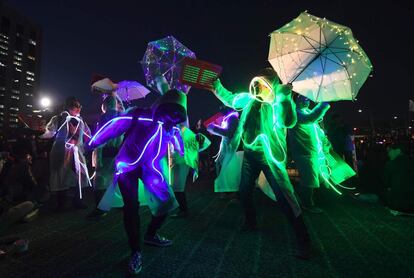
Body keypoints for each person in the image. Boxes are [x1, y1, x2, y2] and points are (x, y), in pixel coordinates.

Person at [209, 67, 311, 259]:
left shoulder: (276, 103)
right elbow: (231, 99)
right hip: (250, 155)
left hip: (270, 158)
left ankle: (304, 240)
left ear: (271, 85)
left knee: (285, 198)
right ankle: (250, 223)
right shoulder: (249, 99)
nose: (256, 87)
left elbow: (288, 121)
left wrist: (285, 99)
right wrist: (216, 85)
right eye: (255, 82)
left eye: (261, 84)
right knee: (244, 191)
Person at [88, 87, 187, 274]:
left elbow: (179, 142)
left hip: (152, 170)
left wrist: (183, 148)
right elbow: (115, 125)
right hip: (127, 167)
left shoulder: (170, 125)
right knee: (131, 207)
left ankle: (150, 234)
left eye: (175, 117)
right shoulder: (139, 115)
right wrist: (92, 142)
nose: (171, 120)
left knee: (167, 202)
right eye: (169, 115)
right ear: (163, 108)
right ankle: (135, 251)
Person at [40, 97, 92, 211]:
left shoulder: (81, 121)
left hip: (76, 153)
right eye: (75, 105)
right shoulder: (58, 119)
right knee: (61, 175)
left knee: (80, 175)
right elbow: (49, 132)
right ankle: (61, 203)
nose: (78, 108)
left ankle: (78, 201)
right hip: (62, 152)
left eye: (80, 106)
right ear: (68, 106)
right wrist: (42, 131)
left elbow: (88, 135)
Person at [288, 95, 330, 213]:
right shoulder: (296, 114)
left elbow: (315, 126)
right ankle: (307, 204)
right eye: (302, 98)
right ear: (296, 101)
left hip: (312, 152)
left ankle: (311, 200)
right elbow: (311, 118)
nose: (305, 100)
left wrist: (325, 141)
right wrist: (324, 103)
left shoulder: (305, 112)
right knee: (309, 180)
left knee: (315, 178)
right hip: (304, 153)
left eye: (306, 98)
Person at [88, 94, 125, 218]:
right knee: (118, 179)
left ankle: (100, 209)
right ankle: (123, 204)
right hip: (119, 153)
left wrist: (96, 155)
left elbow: (101, 136)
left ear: (105, 105)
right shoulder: (122, 115)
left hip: (106, 153)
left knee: (100, 180)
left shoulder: (105, 116)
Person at [207, 107, 242, 199]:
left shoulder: (233, 118)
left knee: (230, 172)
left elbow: (229, 133)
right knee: (226, 170)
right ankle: (229, 191)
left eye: (223, 107)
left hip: (232, 150)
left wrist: (213, 128)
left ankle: (231, 192)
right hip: (229, 149)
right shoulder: (230, 118)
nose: (220, 109)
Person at [382, 143, 414, 215]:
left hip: (397, 205)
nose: (388, 154)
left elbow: (385, 183)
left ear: (398, 151)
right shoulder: (411, 162)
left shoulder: (391, 164)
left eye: (390, 151)